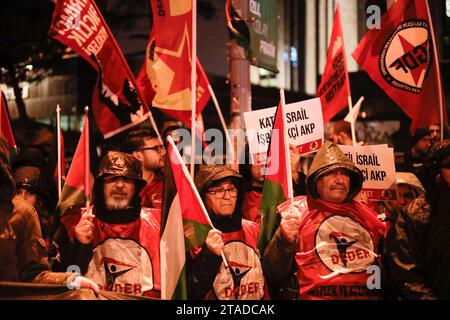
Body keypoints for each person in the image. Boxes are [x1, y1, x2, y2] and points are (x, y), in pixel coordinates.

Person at [262, 141, 385, 300]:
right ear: (316, 179)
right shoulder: (294, 213)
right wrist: (283, 241)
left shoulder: (366, 215)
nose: (340, 179)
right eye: (331, 173)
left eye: (345, 173)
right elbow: (272, 273)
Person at [57, 151, 161, 297]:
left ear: (136, 187)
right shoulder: (75, 222)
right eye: (112, 179)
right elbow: (66, 282)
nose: (119, 185)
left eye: (127, 179)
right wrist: (79, 246)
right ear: (101, 185)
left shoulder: (158, 223)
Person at [0, 135, 97, 291]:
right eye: (19, 191)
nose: (23, 197)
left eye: (29, 192)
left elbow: (35, 274)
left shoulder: (23, 214)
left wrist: (72, 279)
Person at [187, 164, 268, 300]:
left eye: (231, 189)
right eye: (218, 190)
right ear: (203, 196)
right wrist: (209, 255)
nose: (227, 196)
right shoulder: (192, 237)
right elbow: (189, 293)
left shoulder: (254, 229)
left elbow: (272, 276)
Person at [385, 139, 450, 299]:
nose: (401, 200)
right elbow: (406, 272)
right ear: (438, 173)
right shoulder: (415, 214)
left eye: (406, 195)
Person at [122, 128, 165, 209]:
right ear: (138, 156)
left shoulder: (167, 183)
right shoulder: (123, 185)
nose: (163, 152)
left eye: (162, 147)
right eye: (156, 148)